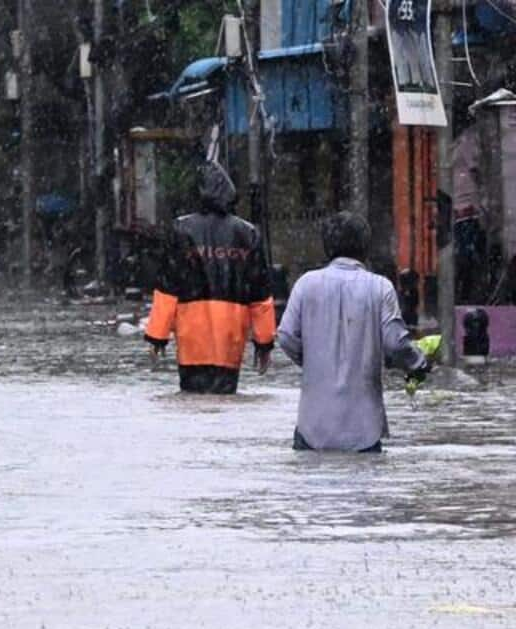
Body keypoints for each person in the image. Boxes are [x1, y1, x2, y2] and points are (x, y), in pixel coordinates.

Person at [277, 212, 431, 452]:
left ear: (327, 246)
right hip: (364, 430)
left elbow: (286, 336)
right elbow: (396, 345)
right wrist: (418, 363)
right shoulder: (380, 287)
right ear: (365, 247)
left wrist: (313, 362)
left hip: (312, 427)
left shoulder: (306, 284)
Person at [142, 162, 276, 394]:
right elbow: (260, 295)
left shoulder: (181, 229)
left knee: (191, 399)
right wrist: (264, 343)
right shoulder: (248, 233)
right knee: (226, 396)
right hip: (230, 336)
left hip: (192, 334)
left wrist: (157, 336)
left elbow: (167, 289)